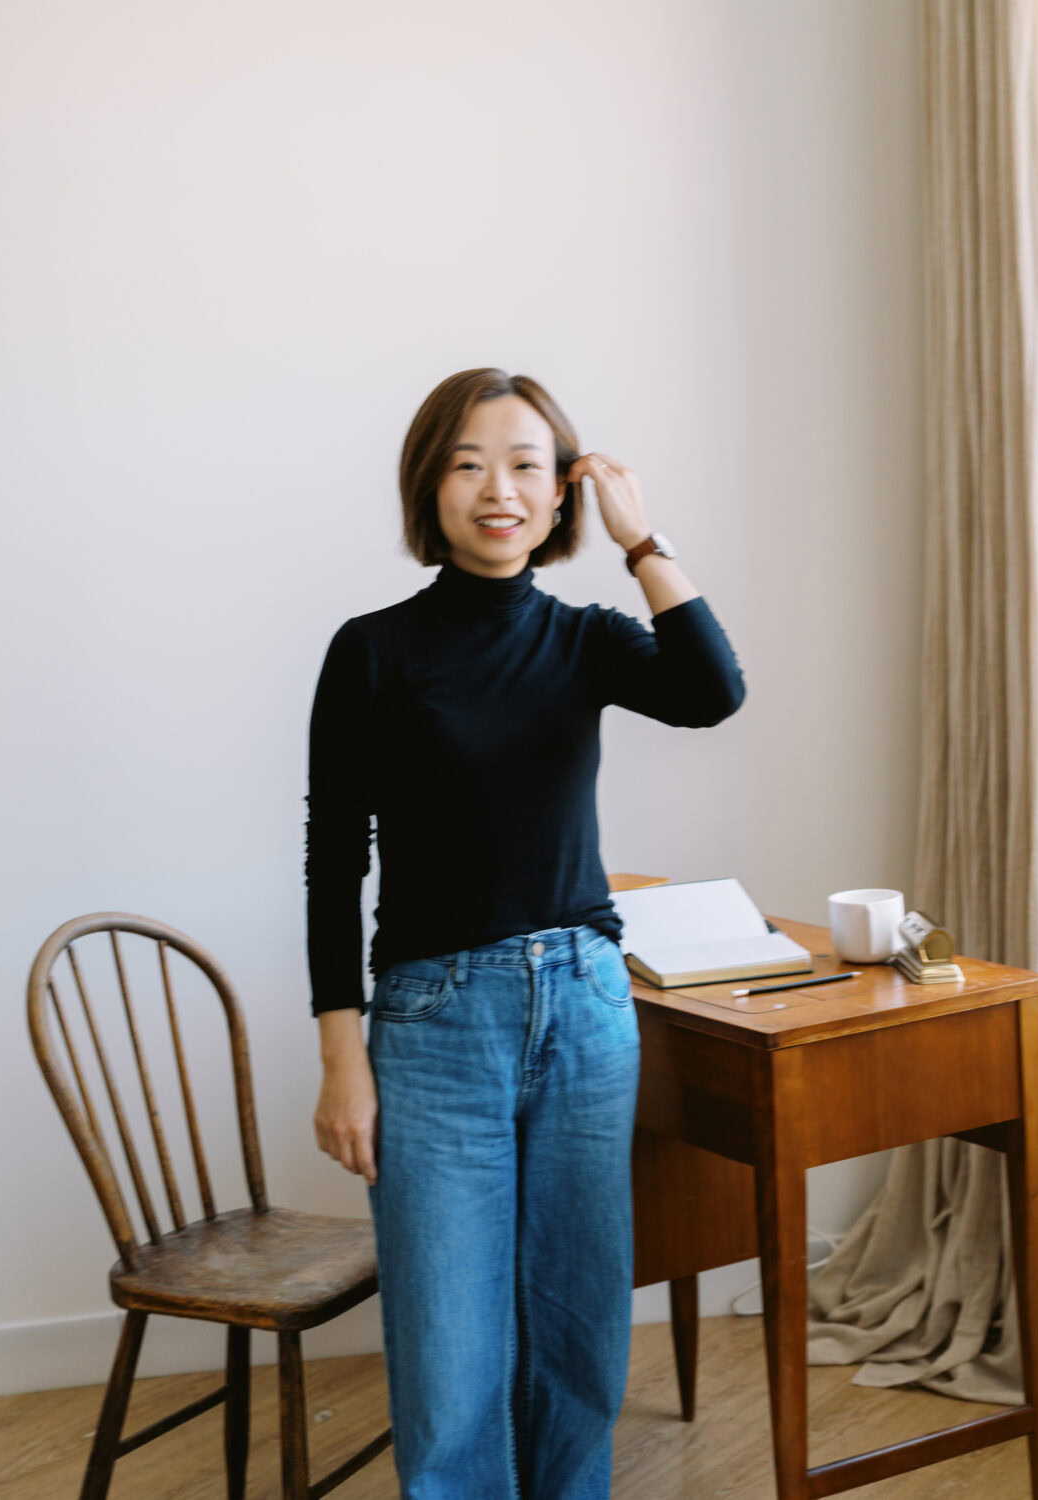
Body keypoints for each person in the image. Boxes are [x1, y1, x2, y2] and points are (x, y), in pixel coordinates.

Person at [305, 367, 746, 1500]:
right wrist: (340, 1057)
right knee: (451, 1359)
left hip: (590, 1011)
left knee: (578, 1330)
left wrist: (643, 540)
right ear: (429, 488)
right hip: (434, 1023)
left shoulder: (587, 637)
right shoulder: (372, 651)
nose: (496, 489)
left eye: (526, 466)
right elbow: (332, 861)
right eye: (466, 463)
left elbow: (712, 691)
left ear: (560, 498)